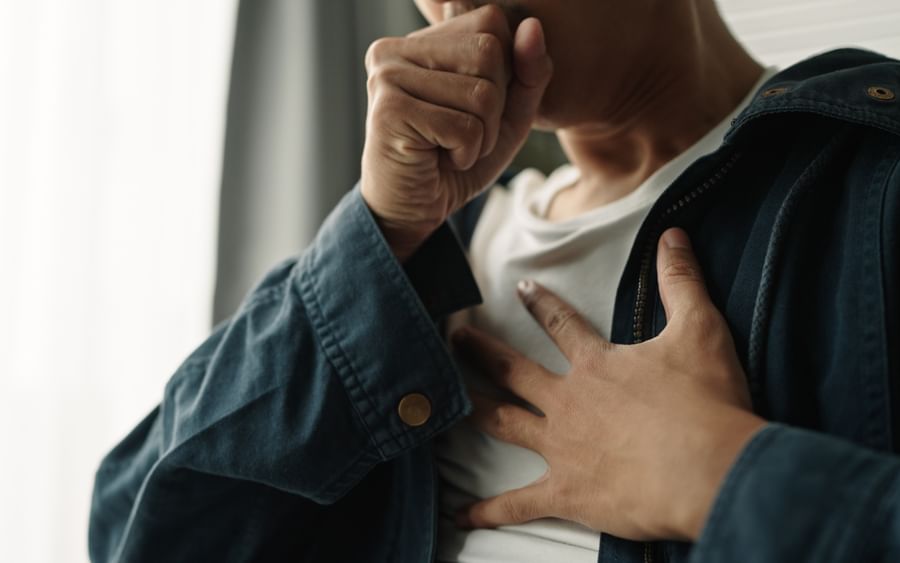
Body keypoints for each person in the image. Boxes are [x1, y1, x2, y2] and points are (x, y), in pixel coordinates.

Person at [89, 0, 900, 562]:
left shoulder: (872, 183)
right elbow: (138, 531)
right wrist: (380, 233)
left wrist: (715, 473)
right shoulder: (428, 255)